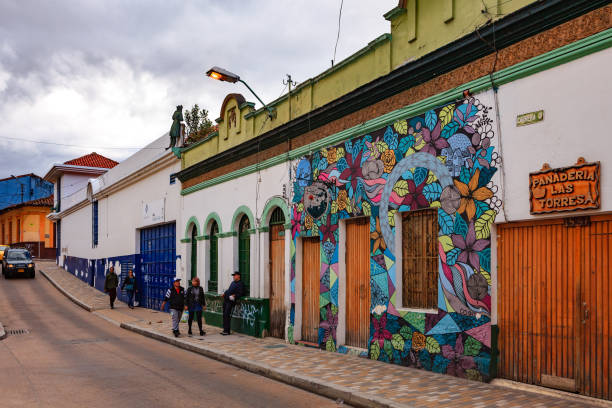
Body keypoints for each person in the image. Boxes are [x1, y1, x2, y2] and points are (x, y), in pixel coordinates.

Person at [221, 271, 245, 335]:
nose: (234, 276)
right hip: (226, 299)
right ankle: (225, 329)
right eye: (233, 275)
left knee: (227, 315)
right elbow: (228, 290)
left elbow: (241, 293)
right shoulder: (233, 283)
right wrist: (224, 293)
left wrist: (234, 295)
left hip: (231, 301)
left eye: (235, 275)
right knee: (224, 315)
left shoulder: (240, 284)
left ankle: (227, 331)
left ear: (238, 276)